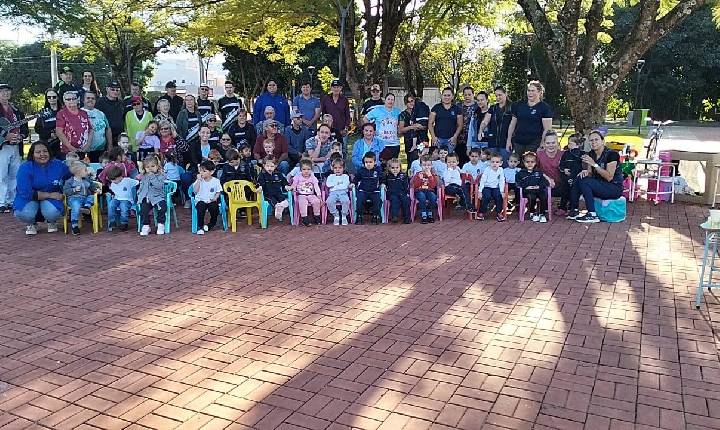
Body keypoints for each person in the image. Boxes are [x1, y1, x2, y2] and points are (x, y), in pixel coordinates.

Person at [14, 141, 70, 234]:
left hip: (51, 200)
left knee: (52, 212)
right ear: (32, 154)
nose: (42, 154)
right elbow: (25, 192)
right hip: (29, 198)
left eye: (45, 151)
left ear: (49, 152)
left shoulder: (58, 165)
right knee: (24, 213)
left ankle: (51, 221)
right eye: (38, 152)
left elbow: (71, 174)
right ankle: (31, 223)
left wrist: (82, 168)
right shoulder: (25, 168)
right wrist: (50, 195)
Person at [567, 130, 623, 223]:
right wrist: (585, 172)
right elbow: (590, 174)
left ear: (603, 141)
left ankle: (592, 214)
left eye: (596, 140)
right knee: (580, 178)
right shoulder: (591, 154)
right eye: (591, 140)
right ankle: (574, 210)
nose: (593, 142)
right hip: (600, 185)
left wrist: (594, 164)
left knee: (585, 182)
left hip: (613, 188)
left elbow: (609, 177)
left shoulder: (612, 154)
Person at [506, 81, 553, 159]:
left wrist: (542, 144)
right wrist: (508, 140)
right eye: (528, 90)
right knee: (517, 165)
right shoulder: (519, 105)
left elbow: (547, 129)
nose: (530, 93)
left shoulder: (545, 108)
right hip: (518, 142)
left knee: (530, 166)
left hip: (534, 143)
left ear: (539, 92)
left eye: (533, 91)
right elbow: (512, 124)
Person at [0, 84, 28, 213]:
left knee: (15, 174)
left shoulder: (16, 110)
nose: (6, 94)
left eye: (7, 91)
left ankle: (12, 200)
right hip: (3, 146)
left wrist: (21, 136)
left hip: (15, 145)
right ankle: (2, 201)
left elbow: (24, 127)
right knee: (2, 174)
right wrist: (6, 135)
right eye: (3, 92)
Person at [63, 160, 100, 235]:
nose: (87, 172)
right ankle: (74, 225)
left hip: (85, 198)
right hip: (74, 198)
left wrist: (97, 189)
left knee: (91, 197)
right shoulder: (69, 181)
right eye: (85, 170)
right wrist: (74, 189)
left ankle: (86, 207)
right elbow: (66, 191)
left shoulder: (86, 180)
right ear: (78, 172)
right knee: (76, 205)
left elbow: (93, 185)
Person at [477, 86, 513, 163]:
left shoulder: (512, 107)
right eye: (496, 95)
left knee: (505, 165)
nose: (498, 97)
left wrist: (509, 141)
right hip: (493, 143)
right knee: (492, 166)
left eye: (500, 95)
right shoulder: (493, 108)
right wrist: (480, 131)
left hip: (506, 143)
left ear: (505, 94)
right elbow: (485, 122)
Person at [364, 93, 401, 161]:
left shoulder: (398, 111)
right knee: (380, 164)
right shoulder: (378, 110)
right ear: (385, 100)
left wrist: (400, 132)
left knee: (393, 164)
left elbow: (401, 124)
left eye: (392, 100)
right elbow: (365, 118)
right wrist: (371, 130)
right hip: (380, 142)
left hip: (394, 143)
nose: (390, 101)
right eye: (388, 99)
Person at [56, 91, 94, 157]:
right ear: (64, 101)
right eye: (68, 99)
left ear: (77, 100)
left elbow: (91, 129)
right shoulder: (61, 114)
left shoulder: (84, 113)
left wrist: (87, 146)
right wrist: (71, 148)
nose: (71, 101)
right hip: (68, 152)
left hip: (84, 151)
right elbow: (59, 132)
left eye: (73, 98)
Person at [136, 155, 167, 236]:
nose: (150, 168)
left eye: (153, 166)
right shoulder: (144, 176)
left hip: (158, 197)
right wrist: (139, 193)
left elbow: (159, 186)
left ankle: (161, 224)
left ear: (157, 166)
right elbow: (142, 186)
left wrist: (153, 177)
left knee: (162, 207)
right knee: (143, 209)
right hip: (146, 197)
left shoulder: (162, 175)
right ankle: (146, 225)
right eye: (148, 167)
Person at [398, 92, 429, 170]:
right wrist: (412, 127)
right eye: (409, 101)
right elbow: (401, 130)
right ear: (406, 103)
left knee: (423, 161)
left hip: (422, 139)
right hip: (409, 141)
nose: (412, 103)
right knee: (411, 162)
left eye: (413, 101)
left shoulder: (420, 111)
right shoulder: (403, 114)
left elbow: (426, 125)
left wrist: (421, 127)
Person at [516, 152, 550, 223]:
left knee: (543, 196)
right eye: (527, 162)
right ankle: (532, 213)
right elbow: (518, 183)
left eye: (532, 162)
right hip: (527, 191)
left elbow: (544, 182)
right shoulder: (520, 173)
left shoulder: (538, 172)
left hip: (538, 190)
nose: (530, 164)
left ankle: (542, 214)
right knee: (532, 197)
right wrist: (527, 186)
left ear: (535, 163)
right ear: (524, 163)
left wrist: (539, 186)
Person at [257, 156, 292, 222]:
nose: (269, 168)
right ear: (264, 166)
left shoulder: (278, 174)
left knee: (284, 200)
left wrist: (286, 186)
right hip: (268, 194)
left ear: (275, 166)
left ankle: (280, 206)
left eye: (272, 166)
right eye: (267, 166)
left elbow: (284, 181)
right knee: (272, 200)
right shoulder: (262, 174)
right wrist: (260, 187)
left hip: (278, 193)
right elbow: (260, 182)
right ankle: (277, 206)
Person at [352, 152, 384, 225]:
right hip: (363, 190)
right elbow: (356, 178)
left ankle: (376, 215)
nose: (368, 164)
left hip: (374, 191)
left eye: (370, 162)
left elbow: (382, 178)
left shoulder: (378, 170)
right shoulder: (361, 170)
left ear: (374, 162)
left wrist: (383, 183)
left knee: (377, 201)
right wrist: (353, 183)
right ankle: (359, 215)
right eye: (366, 162)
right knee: (359, 200)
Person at [536, 130, 564, 213]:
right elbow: (534, 170)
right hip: (544, 185)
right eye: (548, 143)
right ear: (544, 144)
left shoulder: (563, 154)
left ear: (557, 143)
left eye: (553, 142)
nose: (550, 145)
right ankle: (542, 210)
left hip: (560, 185)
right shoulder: (539, 154)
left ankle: (565, 208)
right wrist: (547, 178)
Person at [429, 87, 463, 153]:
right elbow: (430, 123)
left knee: (450, 161)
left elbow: (460, 125)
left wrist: (455, 137)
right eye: (445, 95)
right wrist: (433, 137)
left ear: (452, 96)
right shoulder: (436, 108)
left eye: (449, 95)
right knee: (436, 160)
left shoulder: (457, 109)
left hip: (450, 140)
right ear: (442, 96)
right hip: (437, 139)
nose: (446, 97)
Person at [320, 79, 351, 151]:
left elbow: (347, 115)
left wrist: (346, 128)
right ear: (331, 88)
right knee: (328, 149)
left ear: (341, 88)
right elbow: (323, 113)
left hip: (341, 129)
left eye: (338, 87)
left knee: (343, 149)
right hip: (329, 129)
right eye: (334, 87)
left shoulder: (344, 100)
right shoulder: (325, 99)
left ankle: (343, 162)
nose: (336, 89)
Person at [192, 159, 222, 234]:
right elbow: (195, 191)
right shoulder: (199, 180)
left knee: (215, 208)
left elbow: (218, 191)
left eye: (204, 171)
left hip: (211, 200)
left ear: (211, 172)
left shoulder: (216, 181)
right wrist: (198, 181)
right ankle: (200, 226)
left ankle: (211, 224)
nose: (202, 173)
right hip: (200, 200)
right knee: (201, 207)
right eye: (201, 171)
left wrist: (215, 197)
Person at [82, 91, 113, 162]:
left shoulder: (101, 114)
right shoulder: (78, 113)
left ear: (95, 101)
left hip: (100, 150)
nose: (90, 100)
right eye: (88, 98)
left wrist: (110, 146)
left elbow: (108, 129)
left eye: (93, 98)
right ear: (83, 100)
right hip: (84, 150)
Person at [557, 137, 584, 216]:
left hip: (576, 176)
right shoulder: (566, 153)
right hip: (566, 177)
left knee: (574, 193)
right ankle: (562, 207)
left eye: (571, 143)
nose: (569, 145)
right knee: (565, 191)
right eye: (568, 143)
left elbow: (583, 164)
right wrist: (564, 169)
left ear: (577, 145)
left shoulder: (581, 153)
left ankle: (572, 208)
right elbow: (561, 164)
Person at [106, 165, 138, 231]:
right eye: (111, 180)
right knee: (110, 205)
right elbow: (112, 191)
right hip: (117, 198)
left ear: (120, 176)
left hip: (127, 199)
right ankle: (112, 221)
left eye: (114, 179)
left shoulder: (128, 181)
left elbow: (137, 183)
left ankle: (124, 223)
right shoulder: (113, 183)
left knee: (123, 206)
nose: (113, 181)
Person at [291, 159, 322, 226]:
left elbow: (316, 187)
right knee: (302, 202)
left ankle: (317, 216)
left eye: (308, 169)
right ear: (301, 170)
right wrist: (293, 190)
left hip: (311, 194)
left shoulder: (313, 177)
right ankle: (304, 218)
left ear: (311, 170)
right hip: (301, 195)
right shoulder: (298, 176)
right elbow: (294, 185)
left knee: (316, 201)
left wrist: (319, 196)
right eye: (304, 169)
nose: (306, 171)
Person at [476, 153, 506, 222]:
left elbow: (502, 180)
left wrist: (502, 191)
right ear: (489, 162)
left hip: (496, 188)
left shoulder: (501, 170)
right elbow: (482, 180)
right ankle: (482, 212)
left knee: (498, 196)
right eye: (492, 162)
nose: (494, 164)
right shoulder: (487, 169)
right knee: (486, 196)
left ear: (501, 163)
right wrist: (480, 191)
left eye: (497, 162)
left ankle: (499, 212)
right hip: (487, 187)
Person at [411, 155, 439, 224]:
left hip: (429, 190)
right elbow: (415, 185)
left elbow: (433, 186)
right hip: (419, 191)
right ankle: (424, 214)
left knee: (433, 197)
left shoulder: (432, 175)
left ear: (431, 165)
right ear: (420, 165)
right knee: (422, 197)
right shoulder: (418, 174)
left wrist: (430, 176)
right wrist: (420, 179)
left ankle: (429, 213)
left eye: (429, 165)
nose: (426, 167)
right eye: (424, 165)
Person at [383, 158, 411, 224]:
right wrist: (383, 184)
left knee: (406, 200)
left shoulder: (403, 175)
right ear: (389, 168)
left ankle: (406, 217)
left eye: (397, 167)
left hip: (402, 193)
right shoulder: (387, 176)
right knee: (394, 200)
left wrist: (407, 192)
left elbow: (406, 185)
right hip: (392, 193)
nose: (395, 169)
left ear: (400, 167)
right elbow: (383, 181)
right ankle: (394, 216)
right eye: (393, 168)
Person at [455, 86, 477, 165]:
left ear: (473, 95)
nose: (467, 96)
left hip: (473, 139)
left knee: (472, 161)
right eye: (465, 95)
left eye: (469, 94)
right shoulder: (458, 106)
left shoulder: (477, 106)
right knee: (460, 161)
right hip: (460, 138)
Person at [325, 159, 351, 225]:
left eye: (340, 168)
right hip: (333, 193)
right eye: (335, 168)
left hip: (343, 193)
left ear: (343, 168)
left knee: (346, 201)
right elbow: (328, 184)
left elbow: (345, 186)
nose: (338, 169)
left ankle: (344, 215)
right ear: (332, 168)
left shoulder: (345, 176)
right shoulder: (330, 176)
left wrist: (334, 185)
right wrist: (338, 185)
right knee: (329, 201)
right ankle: (335, 215)